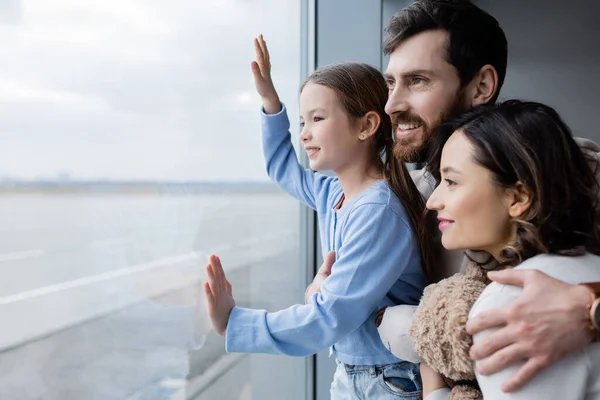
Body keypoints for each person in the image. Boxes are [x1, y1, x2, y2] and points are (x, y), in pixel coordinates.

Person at [309, 0, 600, 393]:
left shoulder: (574, 170)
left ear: (481, 86)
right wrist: (328, 293)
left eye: (418, 81)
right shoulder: (400, 197)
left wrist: (589, 307)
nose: (391, 105)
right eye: (391, 82)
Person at [203, 35, 436, 399]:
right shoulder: (333, 192)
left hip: (387, 380)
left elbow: (327, 317)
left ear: (366, 125)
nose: (305, 134)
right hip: (355, 372)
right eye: (301, 122)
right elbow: (283, 168)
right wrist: (269, 102)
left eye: (317, 118)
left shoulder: (378, 211)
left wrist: (235, 321)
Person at [419, 99, 600, 399]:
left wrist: (434, 389)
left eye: (451, 181)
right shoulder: (591, 265)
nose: (432, 201)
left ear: (518, 197)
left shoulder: (513, 306)